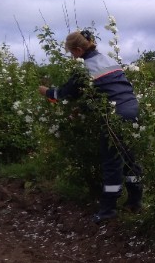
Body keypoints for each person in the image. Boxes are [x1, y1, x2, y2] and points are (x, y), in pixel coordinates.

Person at [38, 29, 142, 223]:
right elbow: (107, 88)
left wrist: (45, 91)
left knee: (112, 163)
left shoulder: (84, 69)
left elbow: (61, 94)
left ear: (78, 50)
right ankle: (135, 202)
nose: (71, 57)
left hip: (115, 115)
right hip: (133, 109)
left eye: (71, 53)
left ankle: (108, 211)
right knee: (129, 159)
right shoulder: (107, 59)